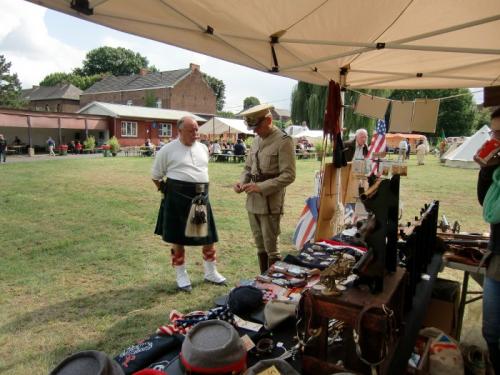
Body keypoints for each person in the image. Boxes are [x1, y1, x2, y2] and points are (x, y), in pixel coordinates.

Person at [152, 116, 226, 292]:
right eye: (191, 130)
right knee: (178, 238)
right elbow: (156, 176)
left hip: (200, 196)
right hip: (177, 196)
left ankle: (210, 271)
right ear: (180, 131)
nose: (196, 134)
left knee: (207, 236)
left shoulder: (203, 148)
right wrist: (168, 192)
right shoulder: (167, 150)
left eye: (196, 130)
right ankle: (181, 274)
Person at [233, 104, 296, 273]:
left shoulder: (283, 141)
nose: (254, 131)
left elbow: (289, 175)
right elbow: (248, 168)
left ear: (269, 120)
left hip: (270, 203)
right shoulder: (256, 140)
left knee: (272, 249)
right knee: (260, 247)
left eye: (257, 126)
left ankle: (274, 286)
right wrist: (241, 182)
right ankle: (263, 282)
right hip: (253, 202)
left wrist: (260, 187)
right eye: (251, 127)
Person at [475, 107, 500, 375]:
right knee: (491, 330)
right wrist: (485, 170)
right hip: (497, 255)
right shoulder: (496, 172)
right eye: (495, 132)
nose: (496, 138)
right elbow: (485, 202)